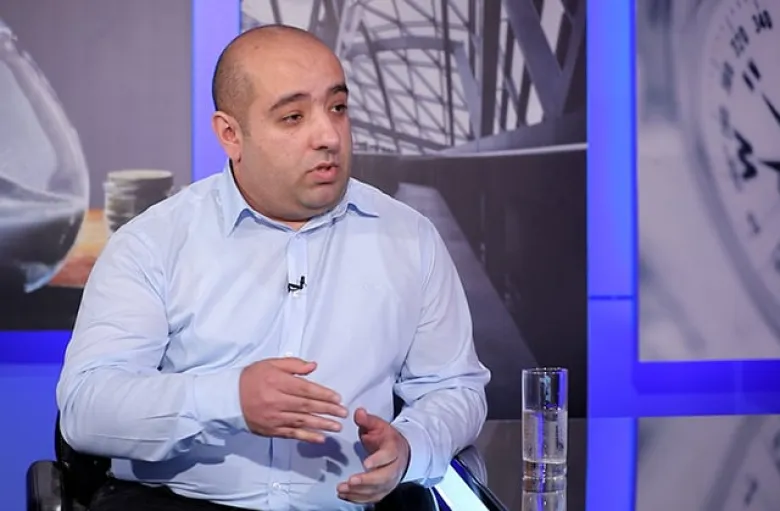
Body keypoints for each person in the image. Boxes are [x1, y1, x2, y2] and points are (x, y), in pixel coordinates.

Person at [56, 24, 490, 511]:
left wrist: (411, 446)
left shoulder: (410, 239)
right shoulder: (152, 243)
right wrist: (229, 400)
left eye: (338, 108)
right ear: (230, 134)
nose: (328, 136)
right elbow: (87, 407)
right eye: (293, 117)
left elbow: (454, 388)